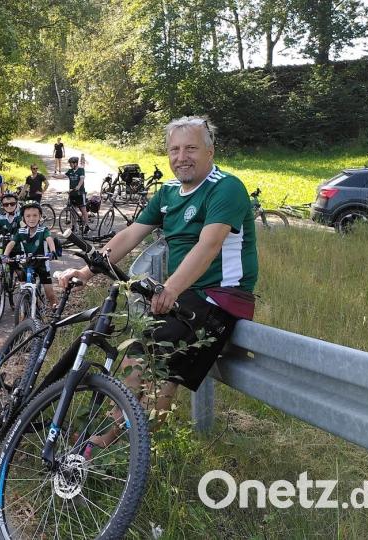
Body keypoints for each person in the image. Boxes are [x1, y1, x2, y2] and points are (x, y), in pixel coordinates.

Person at [57, 116, 257, 449]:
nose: (182, 157)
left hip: (221, 297)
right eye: (175, 149)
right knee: (139, 354)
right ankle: (122, 443)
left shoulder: (226, 187)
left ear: (211, 151)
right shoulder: (167, 193)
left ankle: (132, 448)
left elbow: (208, 246)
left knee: (155, 360)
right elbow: (130, 235)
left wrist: (172, 288)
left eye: (191, 148)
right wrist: (87, 270)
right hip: (187, 296)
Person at [2, 201, 57, 311]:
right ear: (23, 218)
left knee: (49, 293)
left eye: (35, 215)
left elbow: (49, 240)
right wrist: (5, 255)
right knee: (23, 284)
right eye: (28, 216)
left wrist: (52, 251)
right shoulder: (21, 231)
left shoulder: (43, 230)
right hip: (27, 263)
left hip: (41, 263)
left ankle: (55, 311)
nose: (31, 219)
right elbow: (12, 243)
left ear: (40, 216)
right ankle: (26, 305)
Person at [65, 156, 89, 231]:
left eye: (71, 163)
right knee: (73, 211)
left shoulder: (81, 170)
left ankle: (87, 226)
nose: (70, 165)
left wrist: (78, 186)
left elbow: (82, 179)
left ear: (75, 163)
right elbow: (63, 175)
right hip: (72, 194)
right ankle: (74, 226)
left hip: (80, 193)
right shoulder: (70, 171)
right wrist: (54, 176)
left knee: (83, 210)